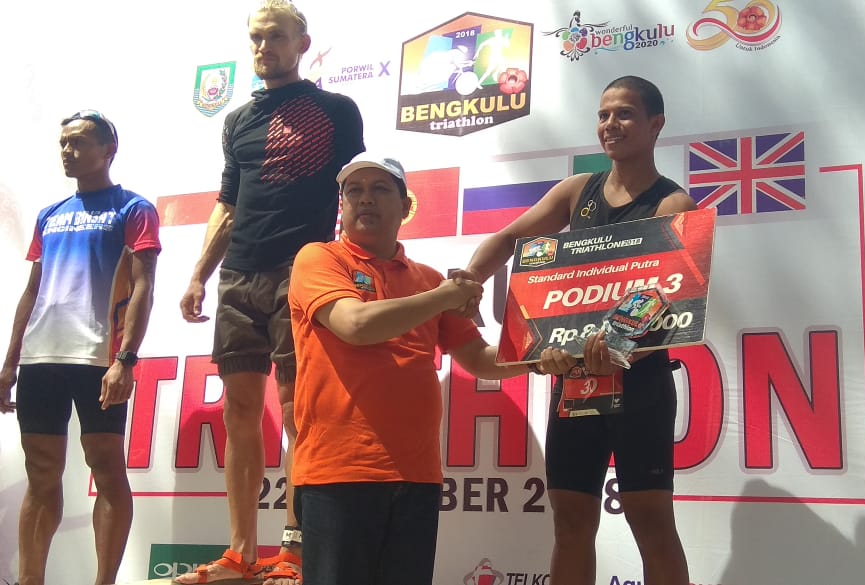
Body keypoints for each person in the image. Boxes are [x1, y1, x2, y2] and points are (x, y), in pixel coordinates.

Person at [461, 76, 693, 585]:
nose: (611, 124)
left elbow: (666, 295)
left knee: (652, 524)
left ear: (656, 125)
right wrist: (471, 279)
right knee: (570, 524)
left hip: (640, 384)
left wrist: (615, 346)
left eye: (625, 114)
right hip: (574, 386)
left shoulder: (673, 205)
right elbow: (509, 237)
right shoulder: (576, 191)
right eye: (603, 115)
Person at [176, 1, 364, 583]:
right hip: (238, 275)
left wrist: (355, 267)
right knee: (238, 412)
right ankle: (239, 553)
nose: (264, 48)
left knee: (295, 411)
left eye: (276, 37)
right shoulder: (236, 120)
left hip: (300, 272)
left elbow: (358, 191)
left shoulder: (335, 110)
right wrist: (198, 273)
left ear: (302, 44)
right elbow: (228, 204)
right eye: (257, 38)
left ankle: (294, 552)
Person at [288, 154, 530, 585]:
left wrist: (540, 354)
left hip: (417, 477)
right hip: (339, 472)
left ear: (405, 207)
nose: (365, 199)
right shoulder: (318, 259)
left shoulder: (430, 280)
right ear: (342, 206)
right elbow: (355, 325)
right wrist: (444, 297)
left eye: (379, 189)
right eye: (354, 191)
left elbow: (479, 359)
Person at [0, 110, 161, 585]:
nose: (67, 151)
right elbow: (33, 290)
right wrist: (10, 362)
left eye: (79, 143)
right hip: (40, 358)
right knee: (41, 474)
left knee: (106, 469)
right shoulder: (49, 214)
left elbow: (143, 286)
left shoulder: (133, 209)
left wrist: (125, 359)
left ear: (108, 150)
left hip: (98, 358)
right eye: (63, 144)